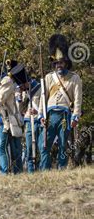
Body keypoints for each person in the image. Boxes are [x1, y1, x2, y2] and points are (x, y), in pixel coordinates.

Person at [39, 34, 82, 170]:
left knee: (63, 145)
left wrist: (76, 116)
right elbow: (42, 98)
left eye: (61, 62)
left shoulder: (75, 78)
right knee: (44, 144)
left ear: (66, 63)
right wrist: (41, 115)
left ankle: (61, 169)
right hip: (50, 115)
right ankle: (44, 170)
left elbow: (78, 99)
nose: (59, 65)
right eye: (56, 63)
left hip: (64, 116)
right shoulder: (48, 77)